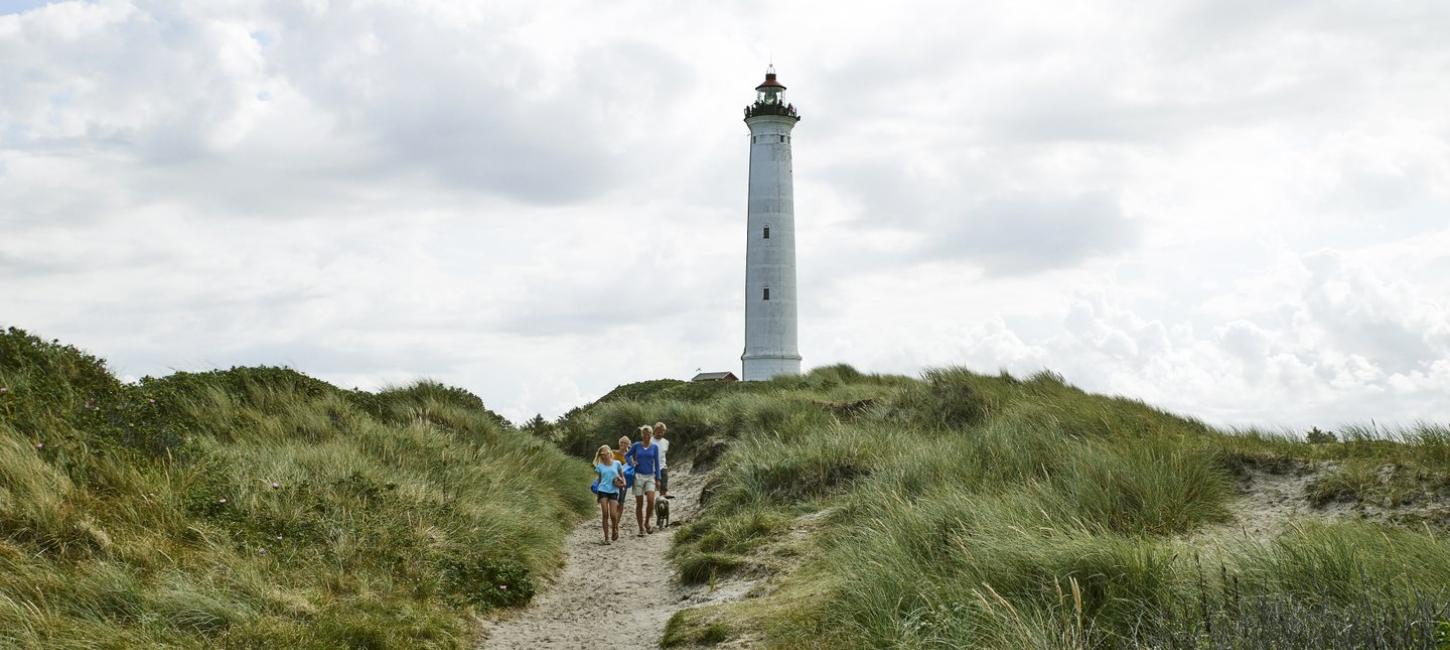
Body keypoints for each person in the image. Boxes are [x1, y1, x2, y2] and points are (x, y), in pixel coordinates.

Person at [625, 424, 662, 536]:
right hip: (638, 476)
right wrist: (631, 462)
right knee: (639, 503)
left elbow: (657, 462)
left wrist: (658, 478)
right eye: (644, 434)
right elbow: (627, 455)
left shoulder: (654, 447)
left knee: (651, 500)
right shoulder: (636, 445)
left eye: (649, 434)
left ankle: (647, 523)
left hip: (650, 476)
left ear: (651, 434)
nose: (646, 436)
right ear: (642, 435)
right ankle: (641, 528)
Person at [592, 445, 623, 544]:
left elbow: (622, 476)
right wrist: (597, 495)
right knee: (605, 514)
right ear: (601, 455)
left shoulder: (617, 463)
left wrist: (623, 483)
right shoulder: (599, 467)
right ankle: (606, 538)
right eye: (603, 453)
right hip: (603, 490)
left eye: (607, 452)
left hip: (614, 491)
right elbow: (600, 480)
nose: (606, 454)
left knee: (613, 515)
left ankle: (615, 528)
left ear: (610, 452)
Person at [653, 421, 672, 500]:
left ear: (664, 432)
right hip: (651, 466)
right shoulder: (650, 440)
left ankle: (663, 496)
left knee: (664, 479)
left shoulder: (666, 442)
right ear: (654, 431)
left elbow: (664, 453)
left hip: (662, 465)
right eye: (658, 431)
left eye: (662, 432)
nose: (660, 433)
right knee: (654, 485)